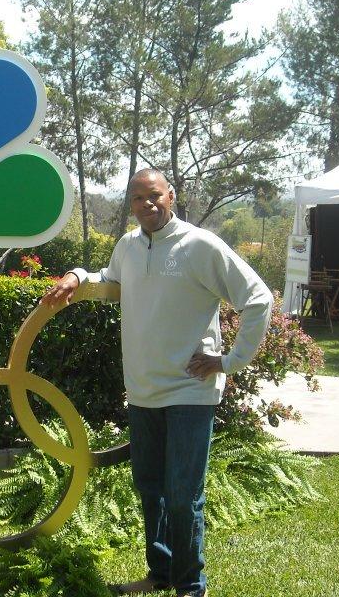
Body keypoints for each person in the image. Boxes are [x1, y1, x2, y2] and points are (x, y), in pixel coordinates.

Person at [41, 169, 272, 597]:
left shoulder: (201, 245)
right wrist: (76, 275)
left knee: (183, 495)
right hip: (142, 392)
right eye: (138, 198)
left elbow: (258, 297)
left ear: (171, 196)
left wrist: (231, 361)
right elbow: (109, 281)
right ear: (130, 204)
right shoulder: (128, 247)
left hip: (189, 391)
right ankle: (160, 573)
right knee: (151, 490)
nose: (147, 204)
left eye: (155, 195)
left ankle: (191, 586)